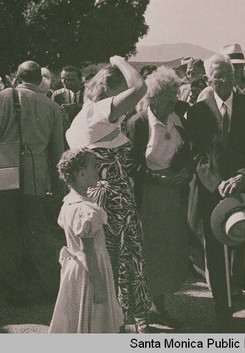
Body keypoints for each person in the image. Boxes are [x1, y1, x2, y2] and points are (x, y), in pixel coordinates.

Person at [66, 56, 153, 333]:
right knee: (119, 260)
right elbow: (140, 88)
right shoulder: (103, 111)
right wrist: (121, 60)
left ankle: (110, 321)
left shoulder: (86, 112)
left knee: (109, 261)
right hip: (112, 201)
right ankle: (121, 321)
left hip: (99, 197)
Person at [186, 54, 245, 331]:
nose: (224, 81)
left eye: (228, 75)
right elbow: (197, 156)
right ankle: (223, 311)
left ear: (235, 77)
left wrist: (243, 177)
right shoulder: (197, 112)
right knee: (216, 252)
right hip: (213, 194)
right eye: (217, 76)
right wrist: (217, 183)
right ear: (208, 79)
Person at [127, 67, 192, 329]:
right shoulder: (139, 123)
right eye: (166, 95)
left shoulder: (179, 120)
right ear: (152, 97)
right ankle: (140, 313)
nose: (173, 99)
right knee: (146, 252)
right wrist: (155, 179)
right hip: (149, 196)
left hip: (172, 195)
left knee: (166, 253)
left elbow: (188, 153)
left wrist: (186, 172)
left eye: (174, 94)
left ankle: (159, 307)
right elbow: (131, 164)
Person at [0, 60, 65, 305]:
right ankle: (43, 286)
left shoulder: (5, 96)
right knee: (36, 231)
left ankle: (12, 288)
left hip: (5, 173)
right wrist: (58, 186)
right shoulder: (52, 107)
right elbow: (57, 152)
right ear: (40, 80)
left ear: (17, 77)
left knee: (7, 231)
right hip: (37, 178)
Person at [49, 148, 124, 333]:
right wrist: (98, 285)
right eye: (94, 166)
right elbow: (88, 250)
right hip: (91, 270)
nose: (98, 170)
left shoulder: (69, 202)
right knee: (95, 316)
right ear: (82, 174)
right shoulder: (86, 211)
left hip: (75, 269)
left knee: (78, 315)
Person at [52, 66, 84, 130]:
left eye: (71, 80)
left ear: (80, 80)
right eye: (62, 78)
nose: (65, 82)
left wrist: (76, 106)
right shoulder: (57, 95)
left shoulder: (89, 93)